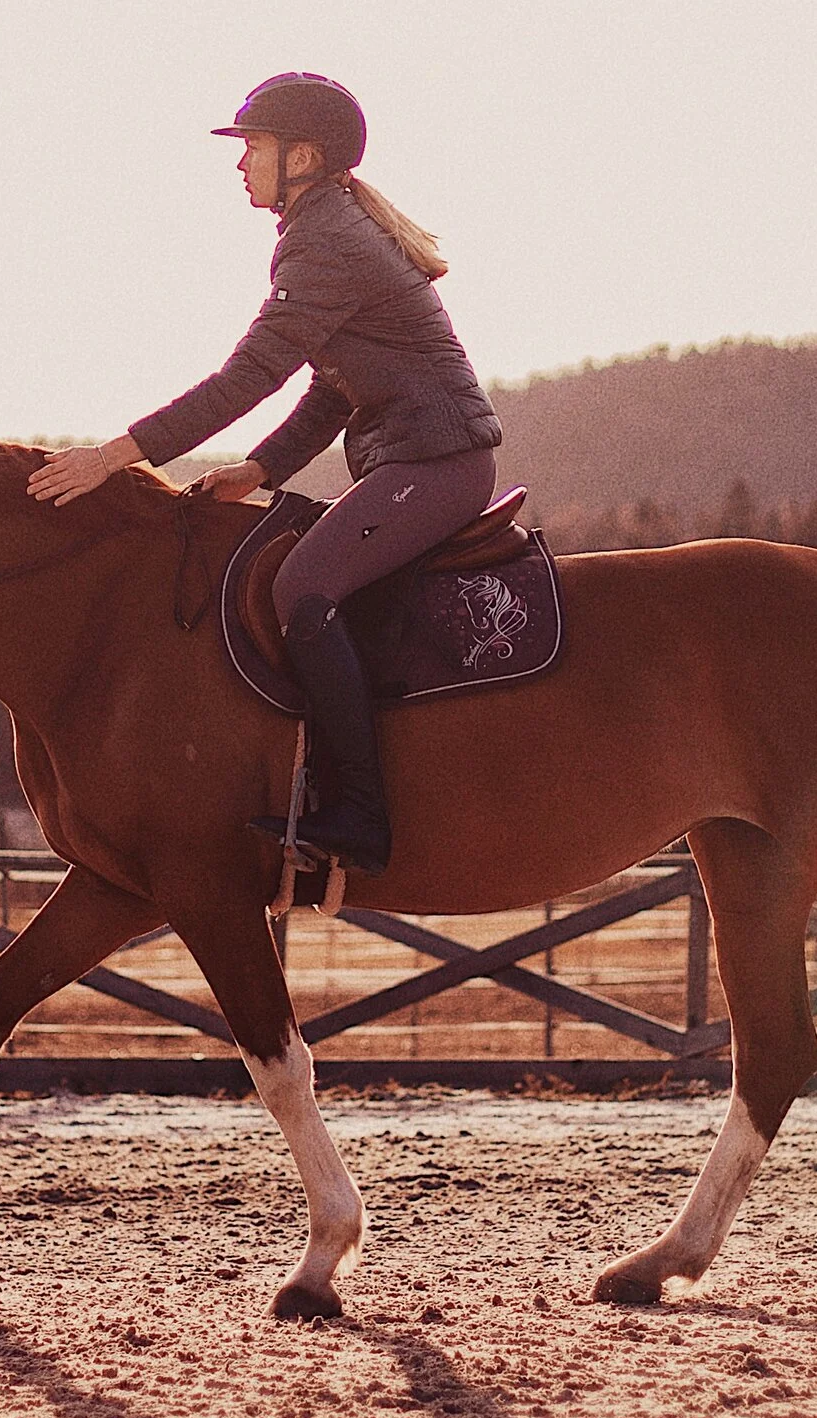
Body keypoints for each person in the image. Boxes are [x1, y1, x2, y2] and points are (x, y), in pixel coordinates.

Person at [27, 72, 502, 875]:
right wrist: (258, 468)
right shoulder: (326, 229)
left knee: (301, 592)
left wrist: (113, 457)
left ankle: (359, 812)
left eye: (253, 147)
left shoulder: (327, 240)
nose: (239, 163)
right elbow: (329, 387)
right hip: (418, 457)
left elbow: (249, 377)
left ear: (304, 157)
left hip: (437, 462)